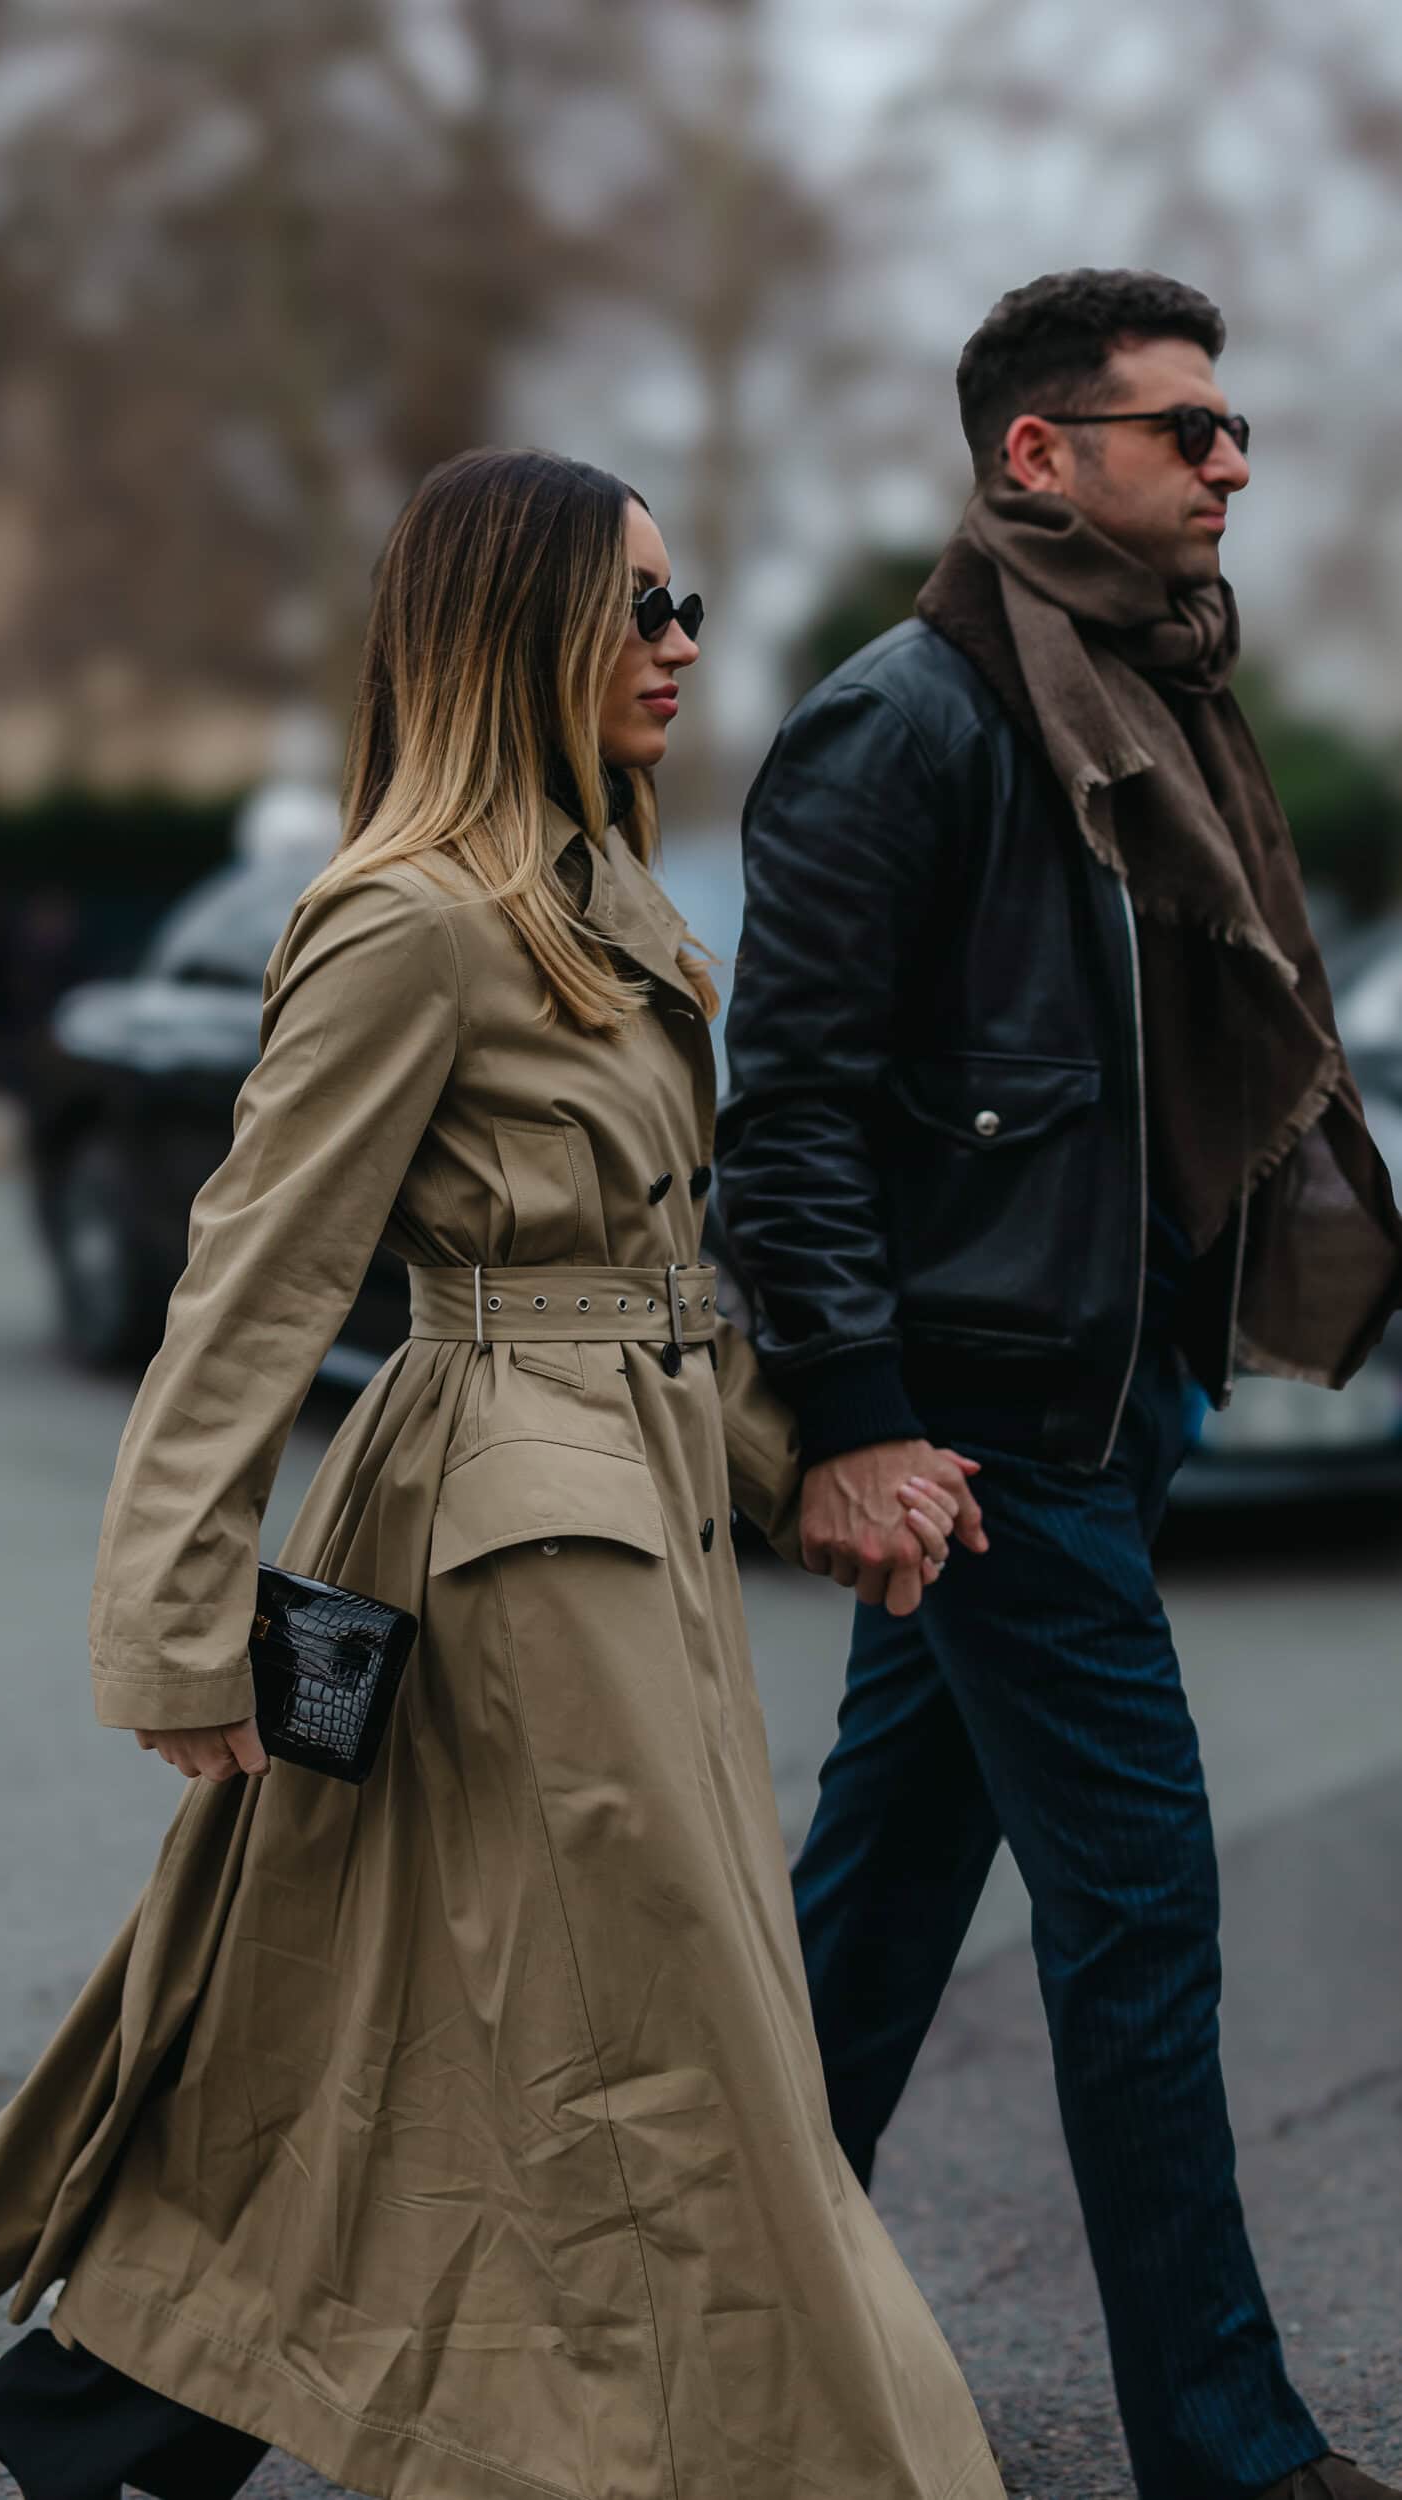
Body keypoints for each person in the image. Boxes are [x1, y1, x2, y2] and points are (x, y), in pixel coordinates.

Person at [0, 448, 1003, 2500]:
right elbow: (248, 1289)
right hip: (513, 1549)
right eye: (642, 607)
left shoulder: (603, 905)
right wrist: (175, 1627)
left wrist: (810, 1471)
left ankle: (95, 2424)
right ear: (517, 631)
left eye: (686, 604)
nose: (683, 644)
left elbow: (654, 1279)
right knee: (667, 2046)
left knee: (366, 2013)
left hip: (630, 1512)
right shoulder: (405, 924)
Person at [717, 268, 1402, 2500]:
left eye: (1233, 427)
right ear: (1038, 454)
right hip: (987, 1426)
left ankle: (703, 2336)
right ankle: (1224, 2440)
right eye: (1185, 428)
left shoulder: (1156, 697)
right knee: (1142, 1904)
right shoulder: (909, 720)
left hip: (1109, 1400)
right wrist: (856, 1414)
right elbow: (788, 1116)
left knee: (876, 1908)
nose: (1232, 463)